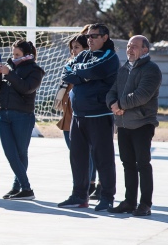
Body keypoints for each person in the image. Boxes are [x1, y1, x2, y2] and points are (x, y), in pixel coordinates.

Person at [58, 23, 119, 211]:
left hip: (99, 114)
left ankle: (107, 197)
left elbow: (94, 71)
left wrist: (83, 75)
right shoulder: (84, 55)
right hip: (78, 116)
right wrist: (83, 76)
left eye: (94, 36)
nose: (89, 39)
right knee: (77, 157)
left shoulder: (109, 56)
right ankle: (79, 195)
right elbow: (67, 72)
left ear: (105, 37)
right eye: (88, 36)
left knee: (103, 158)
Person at [106, 35, 162, 216]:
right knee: (127, 164)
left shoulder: (151, 69)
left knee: (143, 164)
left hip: (142, 124)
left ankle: (145, 204)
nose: (130, 49)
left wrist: (120, 105)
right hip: (123, 125)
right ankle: (129, 202)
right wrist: (112, 105)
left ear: (145, 50)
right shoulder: (124, 69)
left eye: (134, 46)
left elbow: (142, 95)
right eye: (129, 46)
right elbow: (112, 91)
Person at [0, 39, 45, 200]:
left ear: (28, 55)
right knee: (10, 153)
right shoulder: (10, 67)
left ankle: (21, 188)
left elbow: (27, 88)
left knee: (20, 153)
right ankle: (23, 188)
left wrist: (10, 74)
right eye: (12, 53)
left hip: (23, 116)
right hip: (4, 115)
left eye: (17, 54)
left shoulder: (35, 70)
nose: (13, 57)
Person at [55, 34, 99, 198]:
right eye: (71, 48)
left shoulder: (90, 68)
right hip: (68, 118)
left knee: (85, 155)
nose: (73, 51)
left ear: (86, 49)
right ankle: (82, 187)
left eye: (77, 47)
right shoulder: (69, 67)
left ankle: (86, 188)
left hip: (83, 118)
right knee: (75, 156)